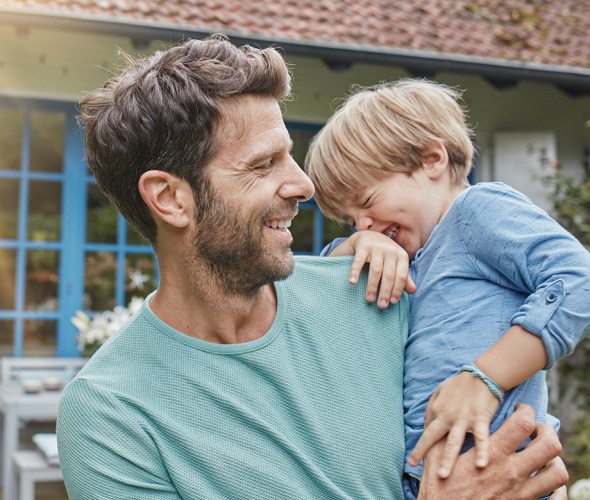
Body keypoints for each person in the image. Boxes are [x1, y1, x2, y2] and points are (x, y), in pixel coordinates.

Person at [57, 36, 568, 499]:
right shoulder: (112, 414)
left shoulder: (377, 293)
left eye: (291, 156)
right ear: (170, 198)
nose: (303, 185)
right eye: (263, 164)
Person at [305, 78, 590, 498]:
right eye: (350, 220)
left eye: (366, 202)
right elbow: (315, 288)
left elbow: (576, 278)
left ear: (431, 160)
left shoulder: (475, 213)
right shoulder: (406, 254)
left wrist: (485, 379)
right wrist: (353, 244)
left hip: (500, 470)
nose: (362, 223)